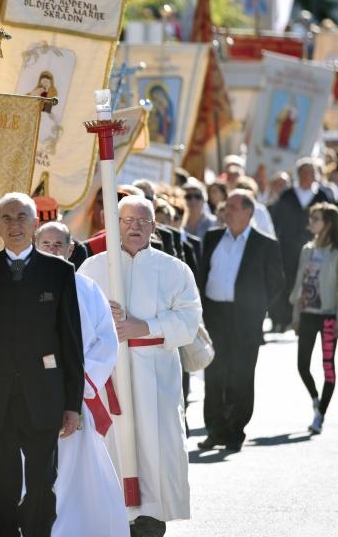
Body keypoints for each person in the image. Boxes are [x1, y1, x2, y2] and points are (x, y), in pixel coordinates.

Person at [0, 192, 84, 537]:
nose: (15, 225)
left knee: (41, 482)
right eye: (7, 219)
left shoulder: (59, 272)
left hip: (44, 396)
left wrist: (73, 404)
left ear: (34, 223)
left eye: (22, 217)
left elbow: (71, 341)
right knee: (0, 486)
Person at [78, 195, 202, 537]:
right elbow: (74, 317)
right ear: (114, 224)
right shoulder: (93, 268)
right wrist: (101, 319)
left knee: (155, 446)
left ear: (154, 226)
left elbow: (189, 320)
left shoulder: (174, 270)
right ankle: (113, 516)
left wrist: (144, 327)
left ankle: (150, 519)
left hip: (155, 374)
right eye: (127, 220)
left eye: (142, 221)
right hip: (110, 375)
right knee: (112, 446)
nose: (135, 227)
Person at [34, 222, 128, 537]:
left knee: (78, 467)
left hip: (76, 394)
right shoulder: (21, 286)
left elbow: (106, 340)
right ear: (35, 246)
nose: (52, 250)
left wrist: (81, 381)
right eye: (46, 244)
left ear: (71, 249)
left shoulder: (88, 289)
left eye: (58, 244)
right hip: (32, 394)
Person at [199, 191, 284, 452]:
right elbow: (202, 273)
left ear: (248, 212)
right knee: (214, 373)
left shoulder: (265, 243)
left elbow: (276, 282)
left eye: (234, 207)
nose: (228, 211)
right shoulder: (213, 237)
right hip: (215, 315)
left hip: (245, 319)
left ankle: (236, 430)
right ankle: (215, 429)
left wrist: (256, 308)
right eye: (226, 207)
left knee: (241, 375)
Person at [290, 203, 338, 434]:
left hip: (328, 318)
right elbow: (299, 283)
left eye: (316, 219)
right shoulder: (307, 250)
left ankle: (321, 414)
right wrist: (296, 315)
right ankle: (315, 398)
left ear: (328, 223)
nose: (311, 222)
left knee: (328, 367)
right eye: (311, 218)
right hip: (307, 314)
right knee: (302, 365)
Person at [269, 158, 334, 332]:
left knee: (312, 282)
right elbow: (277, 220)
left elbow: (330, 222)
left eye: (311, 172)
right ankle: (283, 319)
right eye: (304, 173)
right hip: (288, 248)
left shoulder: (322, 196)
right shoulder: (288, 194)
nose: (307, 176)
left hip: (315, 247)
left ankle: (308, 319)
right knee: (287, 281)